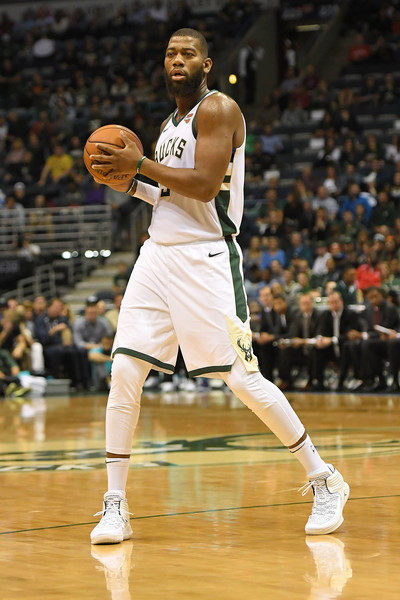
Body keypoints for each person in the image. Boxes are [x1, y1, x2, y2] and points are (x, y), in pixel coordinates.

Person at [88, 28, 349, 545]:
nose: (177, 59)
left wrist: (137, 165)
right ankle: (115, 503)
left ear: (207, 65)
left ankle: (325, 479)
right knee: (124, 370)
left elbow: (205, 187)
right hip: (156, 255)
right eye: (170, 53)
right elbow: (170, 196)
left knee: (241, 379)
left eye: (188, 53)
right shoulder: (168, 125)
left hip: (205, 260)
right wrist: (126, 180)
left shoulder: (220, 109)